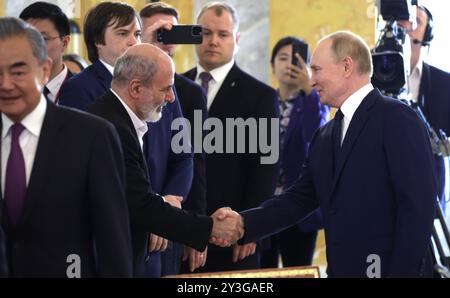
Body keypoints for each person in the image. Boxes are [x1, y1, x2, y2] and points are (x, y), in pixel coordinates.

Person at [215, 31, 437, 277]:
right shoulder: (324, 136)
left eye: (317, 70)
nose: (311, 81)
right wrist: (244, 223)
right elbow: (298, 199)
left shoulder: (397, 118)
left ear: (346, 66)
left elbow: (418, 208)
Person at [86, 43, 243, 277]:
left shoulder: (118, 119)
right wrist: (209, 227)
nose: (171, 98)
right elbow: (140, 204)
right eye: (166, 89)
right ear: (136, 88)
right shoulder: (112, 128)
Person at [0, 17, 133, 277]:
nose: (6, 84)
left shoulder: (91, 137)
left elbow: (113, 242)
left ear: (44, 70)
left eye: (18, 72)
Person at [183, 2, 279, 272]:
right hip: (181, 229)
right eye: (205, 32)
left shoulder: (260, 96)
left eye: (223, 34)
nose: (213, 41)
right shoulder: (174, 88)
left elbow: (266, 166)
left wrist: (251, 227)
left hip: (236, 233)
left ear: (236, 39)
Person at [140, 1, 208, 276]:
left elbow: (195, 160)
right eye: (159, 32)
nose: (165, 39)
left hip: (174, 212)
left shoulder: (188, 92)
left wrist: (195, 231)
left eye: (171, 32)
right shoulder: (121, 83)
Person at [261, 37, 329, 269]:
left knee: (298, 270)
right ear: (272, 65)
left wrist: (309, 90)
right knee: (261, 272)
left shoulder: (315, 102)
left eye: (296, 60)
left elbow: (316, 134)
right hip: (263, 204)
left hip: (299, 209)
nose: (289, 65)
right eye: (282, 58)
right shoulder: (260, 99)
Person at [397, 5, 450, 211]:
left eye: (417, 21)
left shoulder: (445, 83)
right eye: (405, 19)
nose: (409, 26)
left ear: (427, 33)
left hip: (429, 192)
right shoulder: (373, 75)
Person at [59, 1, 141, 110]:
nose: (134, 41)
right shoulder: (78, 87)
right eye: (123, 33)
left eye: (137, 34)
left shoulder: (148, 81)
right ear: (98, 40)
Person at [19, 1, 73, 104]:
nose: (33, 47)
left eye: (43, 39)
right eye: (27, 39)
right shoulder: (12, 89)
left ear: (65, 43)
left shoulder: (83, 90)